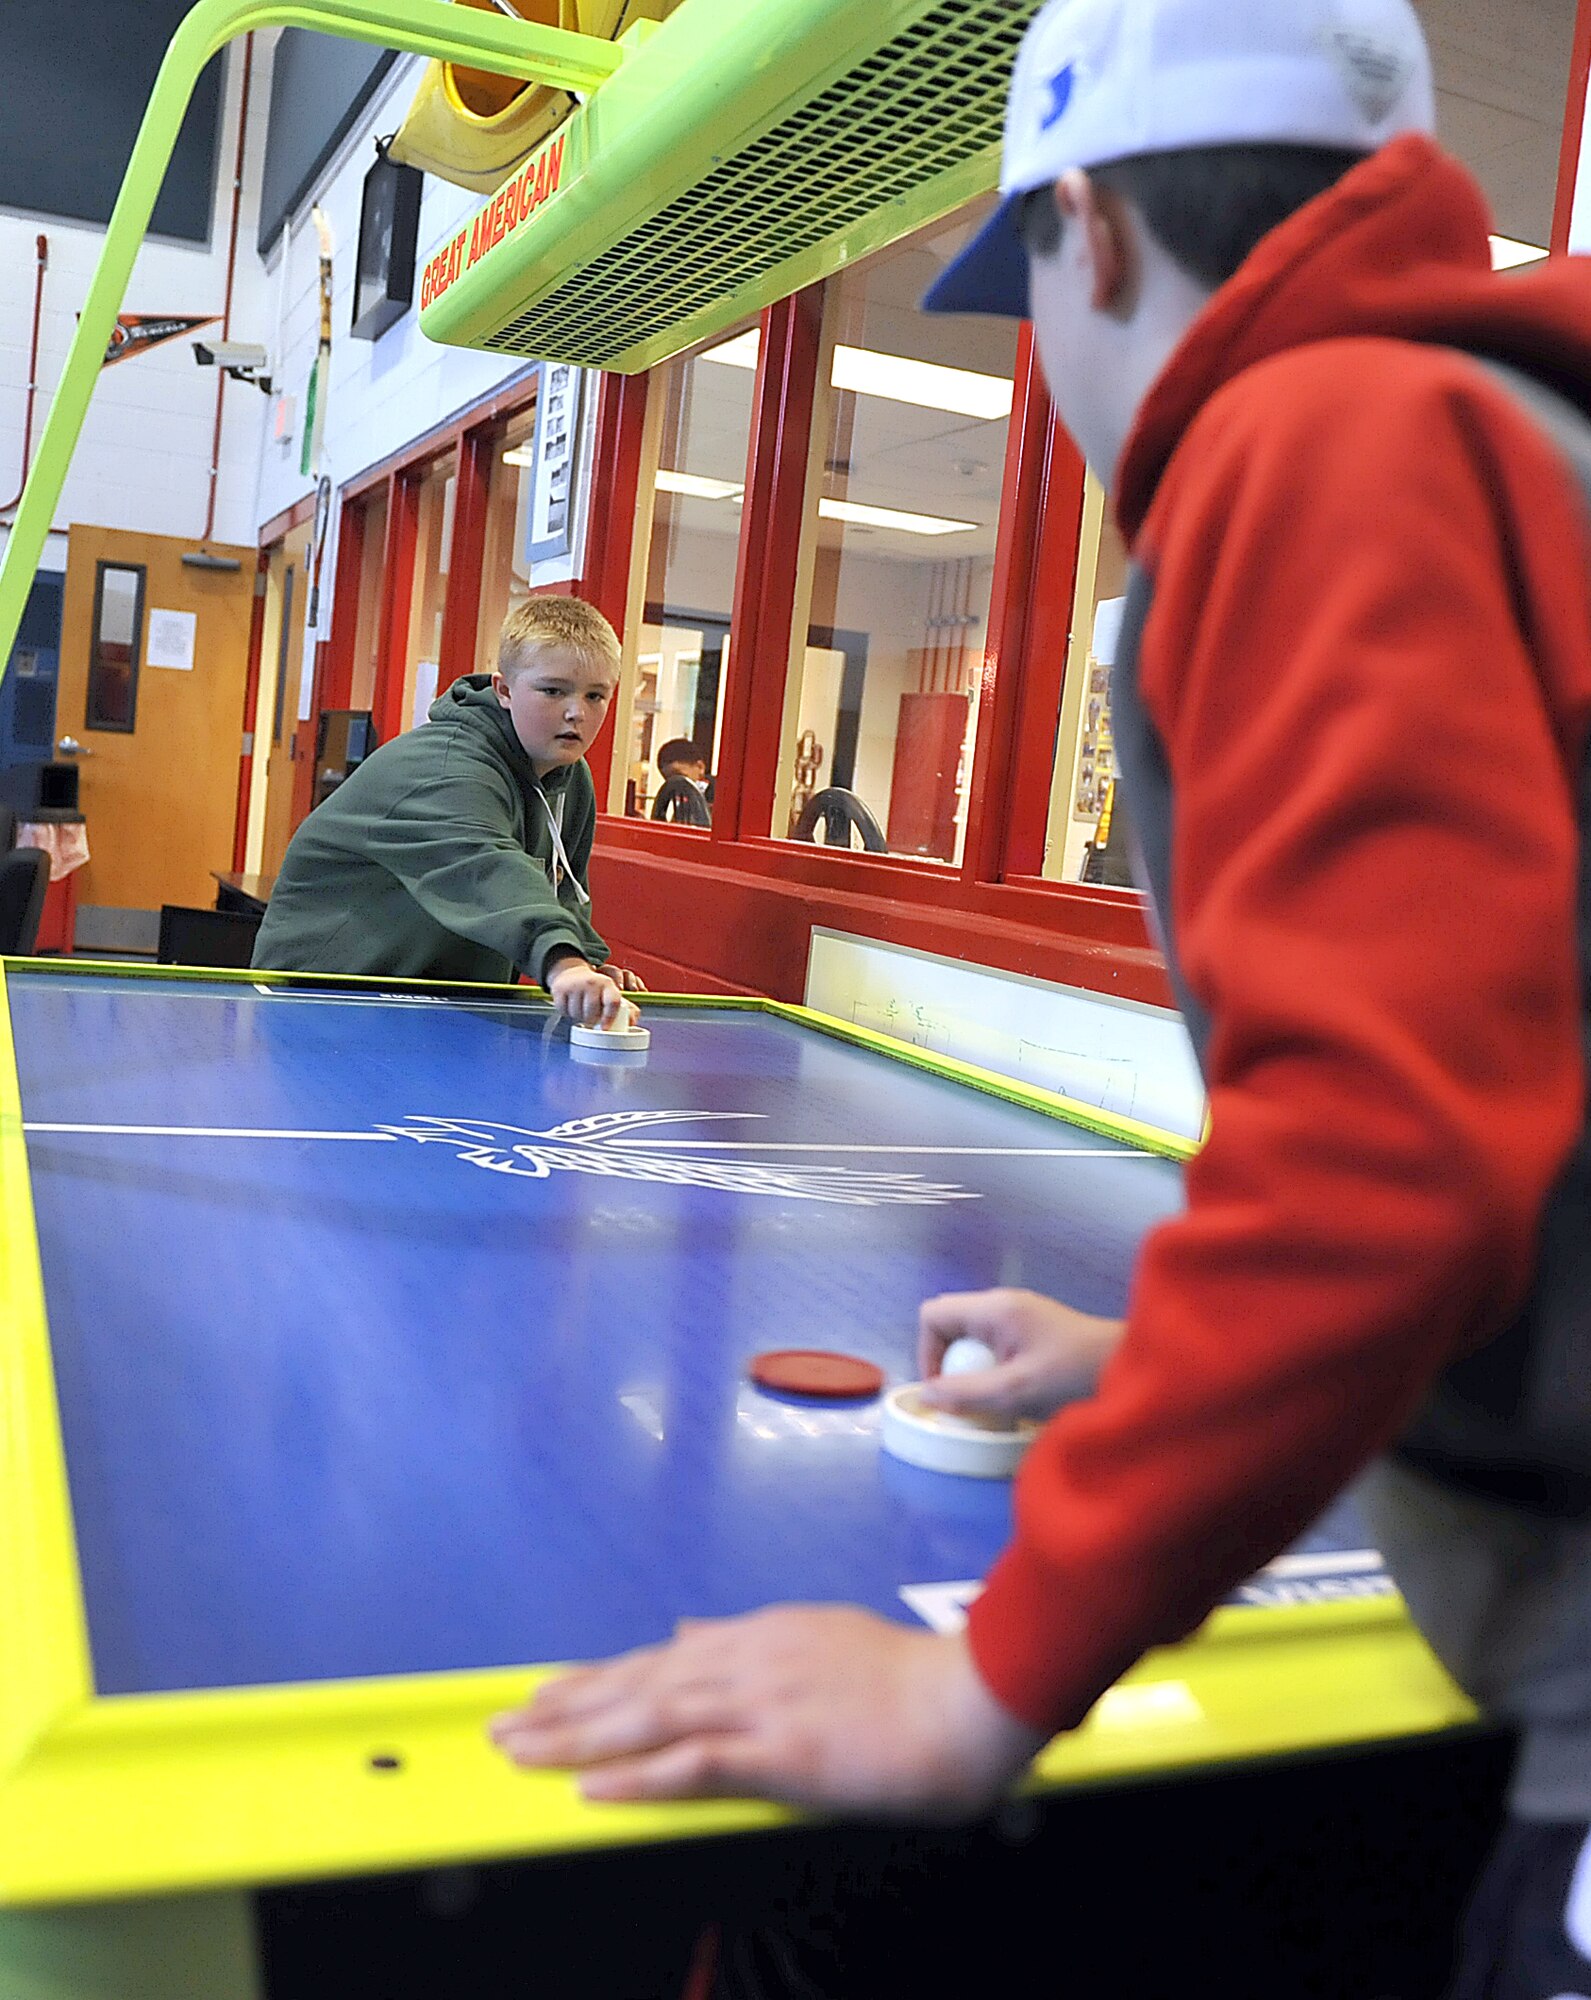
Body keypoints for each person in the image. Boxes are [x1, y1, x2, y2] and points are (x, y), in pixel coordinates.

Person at [490, 1, 1591, 1985]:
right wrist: (1161, 1347)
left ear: (1085, 231)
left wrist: (983, 1679)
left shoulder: (1315, 437)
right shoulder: (1520, 430)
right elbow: (1524, 1082)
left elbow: (1390, 1151)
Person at [254, 595, 641, 1026]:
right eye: (553, 690)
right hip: (322, 1005)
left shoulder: (569, 775)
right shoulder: (445, 769)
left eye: (596, 695)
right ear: (505, 690)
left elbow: (562, 887)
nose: (576, 712)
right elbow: (486, 866)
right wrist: (562, 963)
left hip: (434, 1010)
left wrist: (586, 961)